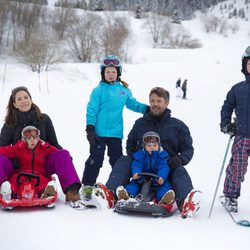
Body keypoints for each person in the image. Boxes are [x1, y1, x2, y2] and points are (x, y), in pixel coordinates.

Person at [98, 87, 201, 218]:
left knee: (180, 170)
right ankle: (110, 194)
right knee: (124, 160)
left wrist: (180, 159)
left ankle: (185, 202)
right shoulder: (140, 123)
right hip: (141, 168)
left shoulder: (178, 126)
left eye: (159, 101)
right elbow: (130, 143)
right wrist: (136, 158)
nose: (155, 104)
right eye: (152, 100)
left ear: (166, 103)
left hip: (166, 168)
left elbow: (188, 148)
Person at [0, 86, 82, 208]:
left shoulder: (43, 119)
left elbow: (53, 143)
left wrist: (65, 158)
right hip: (18, 165)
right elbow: (3, 147)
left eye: (26, 97)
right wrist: (14, 160)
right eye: (19, 99)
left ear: (31, 99)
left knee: (62, 154)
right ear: (15, 104)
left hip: (41, 163)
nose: (24, 101)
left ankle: (71, 192)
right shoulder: (10, 123)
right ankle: (4, 190)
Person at [81, 55, 148, 202]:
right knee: (95, 159)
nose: (110, 74)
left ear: (118, 73)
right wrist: (90, 128)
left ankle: (118, 185)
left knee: (117, 161)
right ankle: (87, 185)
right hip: (98, 133)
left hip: (115, 133)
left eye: (113, 72)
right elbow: (91, 109)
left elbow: (133, 104)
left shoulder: (123, 90)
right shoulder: (98, 90)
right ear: (103, 74)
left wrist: (147, 109)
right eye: (108, 72)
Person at [220, 45, 250, 213]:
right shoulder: (238, 89)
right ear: (244, 65)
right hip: (242, 135)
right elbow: (226, 107)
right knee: (238, 166)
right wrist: (226, 124)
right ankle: (230, 196)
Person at [116, 131, 175, 205]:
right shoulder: (140, 155)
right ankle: (127, 195)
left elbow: (164, 168)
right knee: (133, 185)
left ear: (159, 146)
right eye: (149, 146)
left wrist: (161, 177)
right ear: (144, 146)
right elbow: (137, 165)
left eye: (155, 145)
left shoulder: (162, 157)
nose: (152, 148)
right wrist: (136, 173)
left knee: (164, 187)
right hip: (142, 179)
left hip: (157, 180)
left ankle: (164, 198)